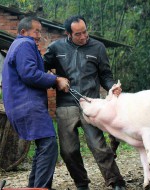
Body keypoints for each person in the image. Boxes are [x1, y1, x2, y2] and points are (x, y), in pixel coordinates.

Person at [43, 15, 125, 190]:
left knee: (99, 146)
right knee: (68, 150)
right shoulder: (56, 48)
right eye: (78, 34)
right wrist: (55, 78)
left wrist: (112, 87)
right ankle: (81, 184)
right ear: (68, 33)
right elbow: (41, 69)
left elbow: (105, 75)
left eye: (85, 32)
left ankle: (116, 181)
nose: (83, 37)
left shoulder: (98, 47)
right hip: (65, 104)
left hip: (91, 103)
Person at [2, 17, 69, 189]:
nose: (39, 35)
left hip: (19, 105)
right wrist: (56, 79)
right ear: (23, 32)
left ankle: (34, 187)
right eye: (36, 31)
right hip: (28, 105)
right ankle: (41, 188)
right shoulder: (25, 44)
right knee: (49, 145)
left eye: (40, 31)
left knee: (44, 147)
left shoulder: (16, 46)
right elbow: (29, 74)